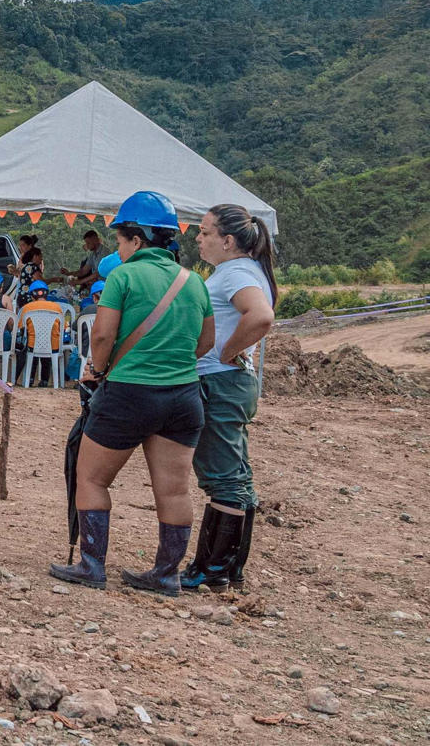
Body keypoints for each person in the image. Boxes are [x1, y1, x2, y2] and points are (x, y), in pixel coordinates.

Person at [50, 190, 214, 596]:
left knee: (91, 478)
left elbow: (103, 334)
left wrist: (99, 370)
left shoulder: (123, 276)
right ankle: (165, 574)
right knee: (174, 489)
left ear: (137, 239)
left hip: (128, 394)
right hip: (183, 396)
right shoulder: (193, 281)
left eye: (121, 239)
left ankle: (92, 567)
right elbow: (205, 342)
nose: (118, 247)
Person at [181, 205, 277, 590]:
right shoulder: (242, 270)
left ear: (228, 240)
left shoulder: (236, 272)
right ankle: (226, 567)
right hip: (230, 381)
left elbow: (261, 316)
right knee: (236, 475)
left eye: (205, 233)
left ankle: (213, 569)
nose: (199, 239)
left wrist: (225, 352)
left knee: (223, 478)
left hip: (221, 381)